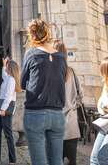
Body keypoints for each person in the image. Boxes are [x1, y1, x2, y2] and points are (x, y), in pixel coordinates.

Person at [21, 19, 66, 165]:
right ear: (47, 33)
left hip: (36, 113)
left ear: (31, 35)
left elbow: (22, 83)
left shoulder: (31, 54)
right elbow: (62, 79)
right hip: (57, 114)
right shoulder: (61, 56)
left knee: (39, 162)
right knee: (56, 161)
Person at [54, 40, 83, 165]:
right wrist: (71, 106)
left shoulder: (50, 73)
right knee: (71, 161)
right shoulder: (71, 71)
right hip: (71, 124)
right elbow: (80, 96)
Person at [0, 58, 21, 165]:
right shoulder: (8, 78)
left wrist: (3, 109)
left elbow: (8, 96)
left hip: (5, 108)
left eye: (7, 66)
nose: (5, 67)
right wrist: (3, 64)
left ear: (10, 68)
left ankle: (12, 160)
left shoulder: (11, 80)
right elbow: (4, 75)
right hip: (1, 106)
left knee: (8, 135)